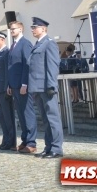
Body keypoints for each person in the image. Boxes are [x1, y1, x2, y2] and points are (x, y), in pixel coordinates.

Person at [27, 17, 63, 159]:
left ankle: (56, 148)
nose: (32, 30)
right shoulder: (38, 44)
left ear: (43, 29)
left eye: (35, 27)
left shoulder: (49, 43)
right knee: (45, 120)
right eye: (32, 28)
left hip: (46, 87)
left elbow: (52, 66)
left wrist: (51, 85)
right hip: (37, 88)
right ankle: (48, 147)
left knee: (53, 119)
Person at [6, 20, 36, 153]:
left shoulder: (25, 44)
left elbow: (27, 65)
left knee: (27, 113)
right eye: (11, 29)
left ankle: (31, 142)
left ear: (20, 29)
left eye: (14, 29)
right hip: (14, 85)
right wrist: (9, 84)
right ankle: (25, 140)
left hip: (22, 85)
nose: (12, 31)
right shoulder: (13, 45)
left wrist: (25, 83)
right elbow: (11, 67)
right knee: (21, 114)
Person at [0, 29, 16, 151]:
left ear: (2, 39)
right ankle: (5, 140)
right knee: (1, 116)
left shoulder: (6, 52)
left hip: (3, 89)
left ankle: (11, 142)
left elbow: (7, 72)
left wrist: (7, 87)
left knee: (7, 117)